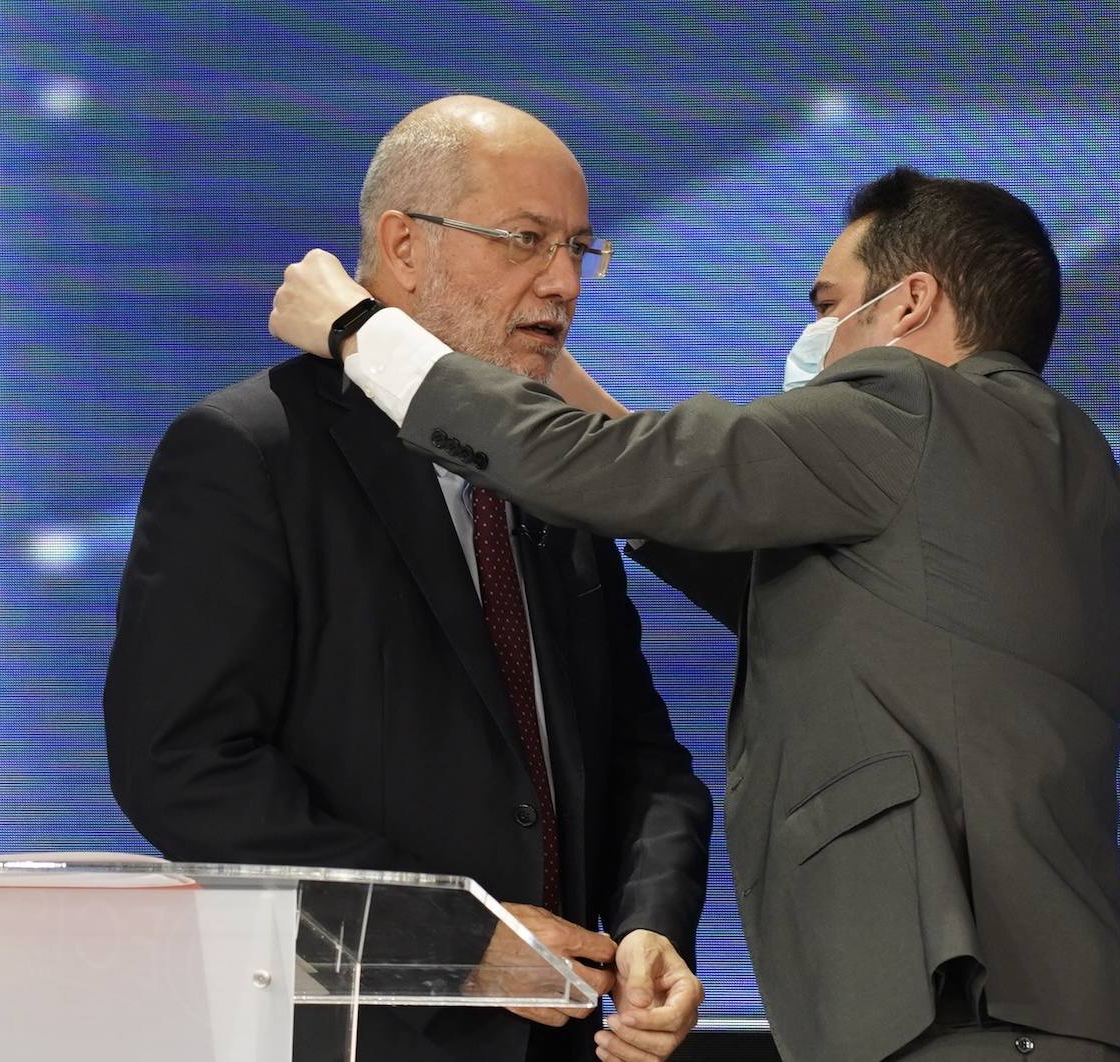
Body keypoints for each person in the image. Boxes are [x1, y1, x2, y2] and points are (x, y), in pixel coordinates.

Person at [269, 166, 1120, 1062]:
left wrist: (363, 332)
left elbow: (627, 473)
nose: (815, 336)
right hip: (1054, 1008)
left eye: (830, 304)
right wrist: (533, 367)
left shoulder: (911, 405)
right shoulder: (1046, 457)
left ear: (907, 305)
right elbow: (732, 550)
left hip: (970, 1014)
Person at [103, 95, 712, 1062]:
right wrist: (457, 943)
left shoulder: (548, 468)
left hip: (567, 1038)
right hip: (358, 1034)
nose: (562, 282)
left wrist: (652, 926)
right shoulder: (250, 452)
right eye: (526, 240)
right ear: (404, 244)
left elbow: (641, 754)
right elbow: (184, 766)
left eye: (579, 248)